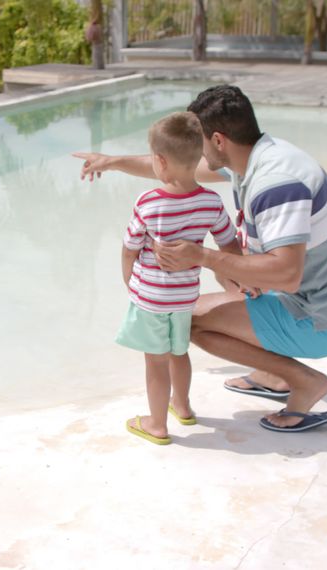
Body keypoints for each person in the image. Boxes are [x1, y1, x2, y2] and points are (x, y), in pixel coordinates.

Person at [75, 85, 327, 433]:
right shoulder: (257, 157)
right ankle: (273, 374)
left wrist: (202, 256)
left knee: (190, 318)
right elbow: (177, 170)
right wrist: (113, 162)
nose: (193, 151)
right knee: (217, 285)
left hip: (322, 319)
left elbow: (287, 274)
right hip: (320, 300)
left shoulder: (276, 184)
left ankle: (302, 380)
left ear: (216, 141)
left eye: (197, 139)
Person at [117, 112, 240, 445]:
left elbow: (130, 248)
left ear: (159, 161)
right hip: (185, 297)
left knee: (155, 362)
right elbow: (227, 241)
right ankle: (182, 407)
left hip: (152, 298)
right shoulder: (211, 202)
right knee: (178, 351)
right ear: (199, 156)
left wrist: (129, 280)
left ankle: (156, 424)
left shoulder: (149, 203)